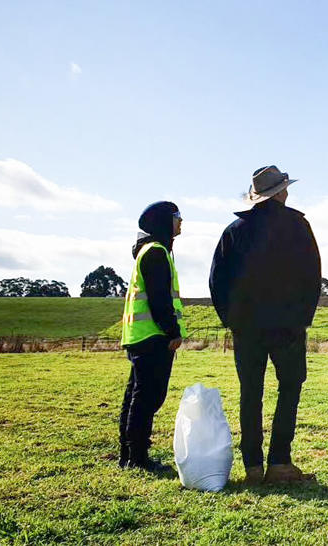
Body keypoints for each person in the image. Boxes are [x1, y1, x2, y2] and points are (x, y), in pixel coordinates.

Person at [209, 165, 321, 485]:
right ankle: (281, 463)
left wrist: (231, 320)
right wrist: (302, 319)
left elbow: (217, 280)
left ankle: (253, 466)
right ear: (281, 192)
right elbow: (312, 276)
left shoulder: (234, 231)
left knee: (250, 394)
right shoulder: (299, 227)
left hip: (247, 329)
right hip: (288, 327)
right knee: (289, 389)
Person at [119, 201, 188, 472]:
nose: (181, 222)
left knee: (136, 396)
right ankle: (137, 457)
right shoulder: (156, 253)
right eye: (177, 217)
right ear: (164, 221)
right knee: (148, 397)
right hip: (153, 337)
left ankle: (129, 454)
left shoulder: (150, 251)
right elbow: (160, 300)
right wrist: (172, 331)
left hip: (141, 336)